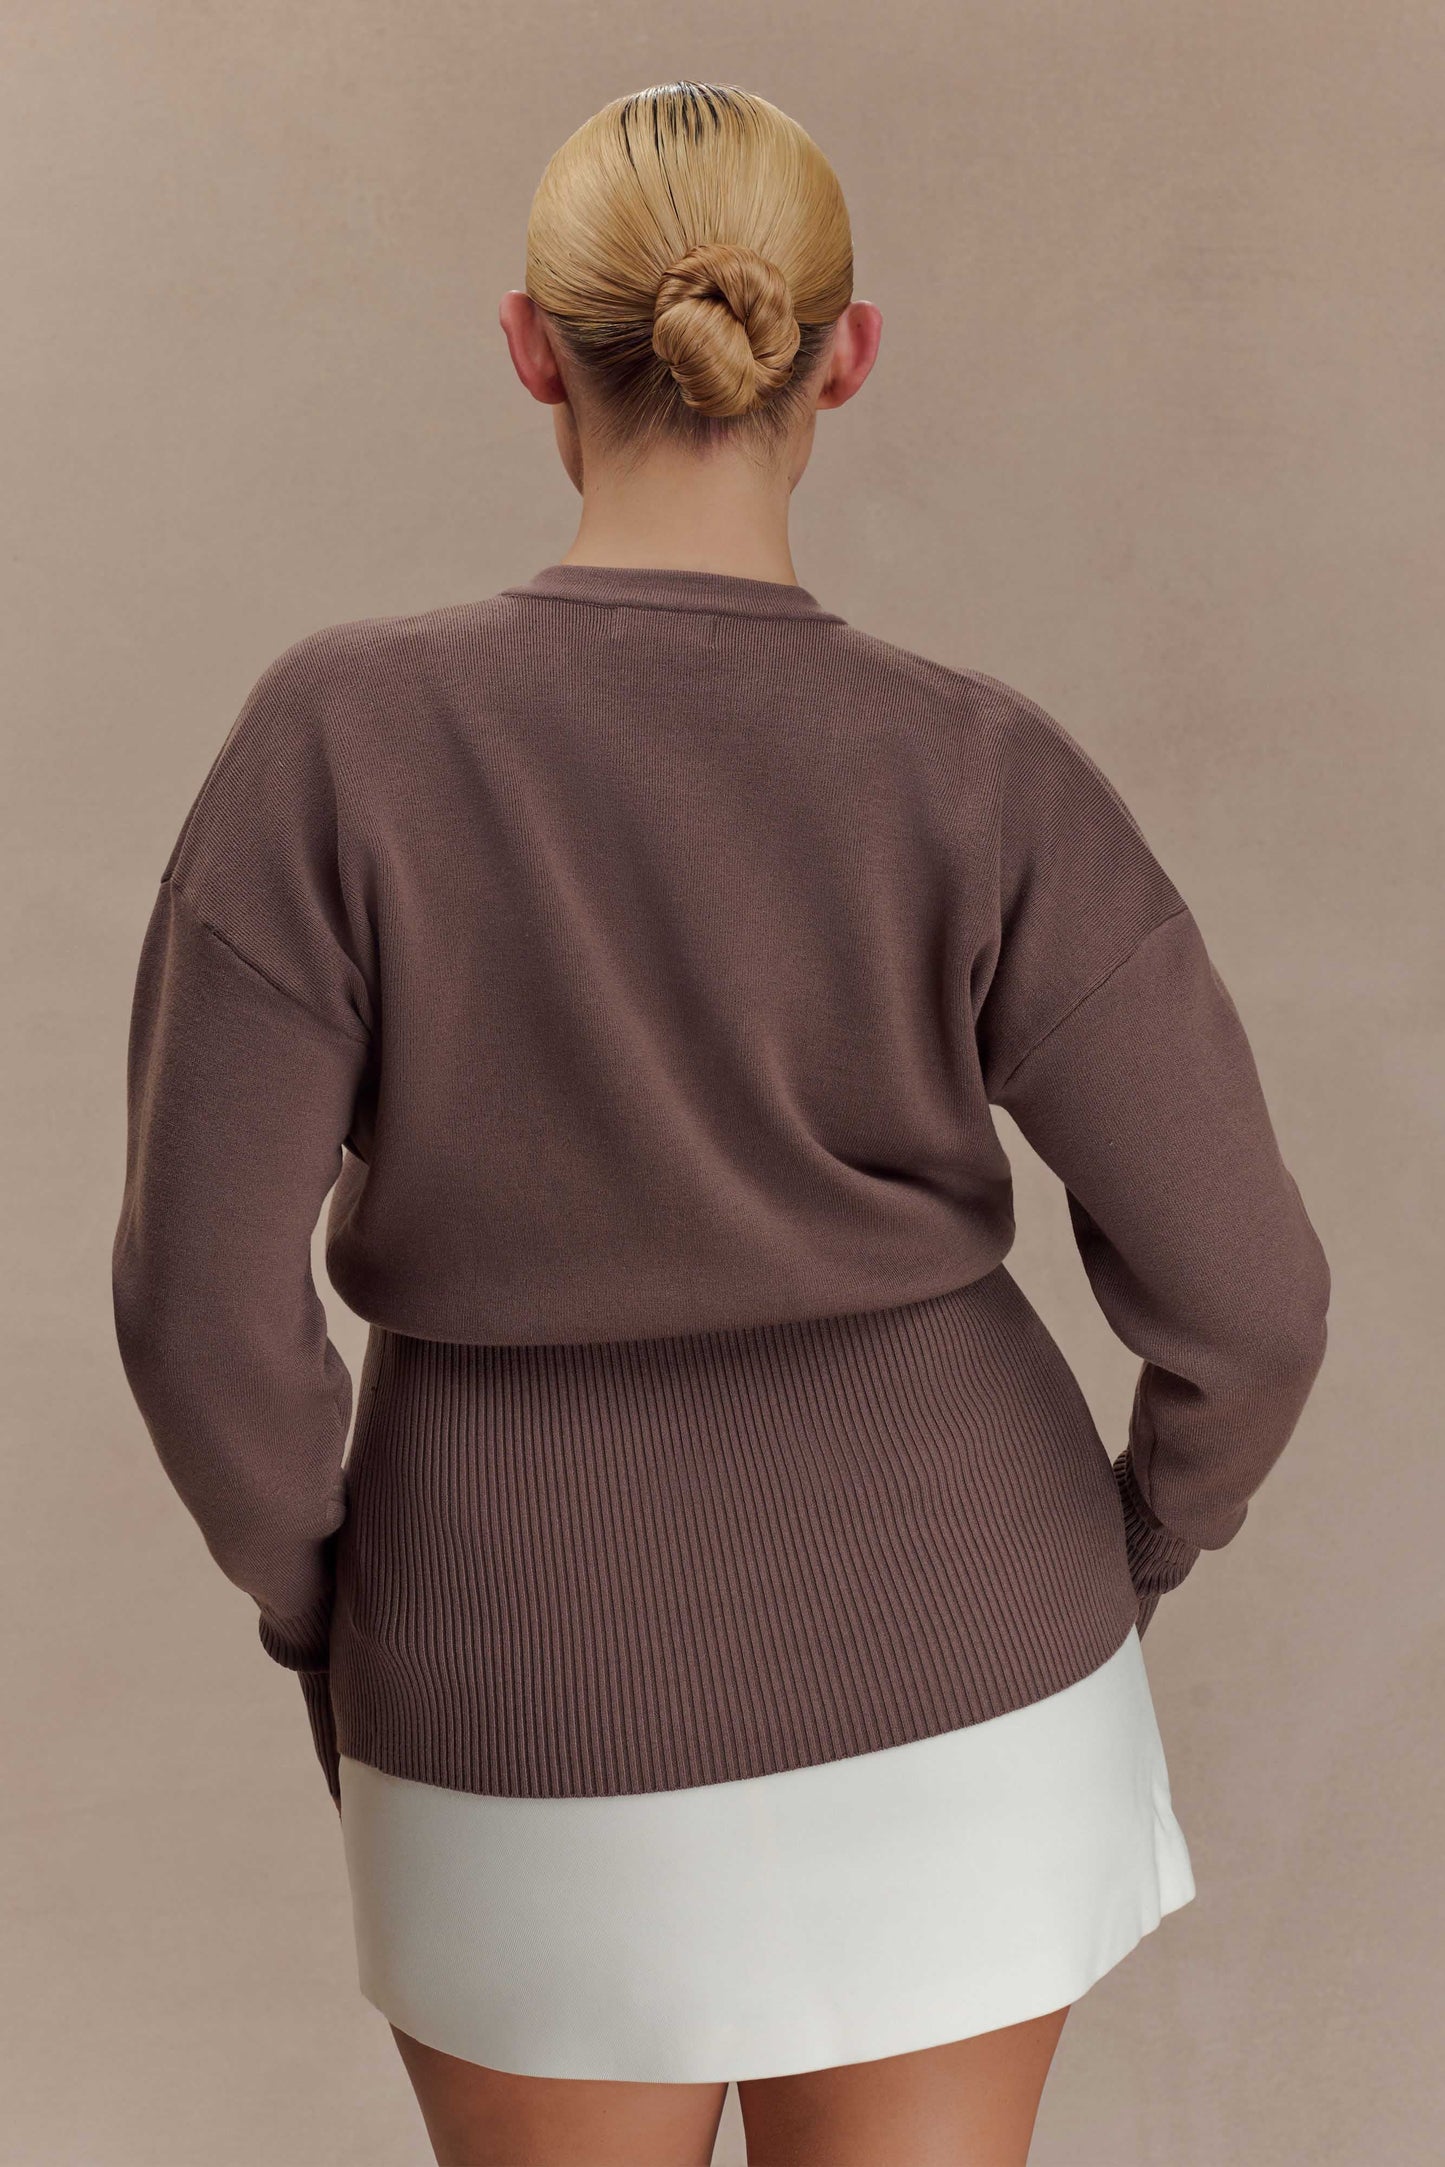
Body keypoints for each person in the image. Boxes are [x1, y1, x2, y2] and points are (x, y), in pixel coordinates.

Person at [110, 80, 1331, 2167]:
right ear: (843, 355)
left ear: (529, 349)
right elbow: (1257, 1303)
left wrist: (341, 1604)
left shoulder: (340, 741)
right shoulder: (982, 770)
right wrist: (1132, 1544)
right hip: (973, 1663)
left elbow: (199, 1320)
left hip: (509, 1679)